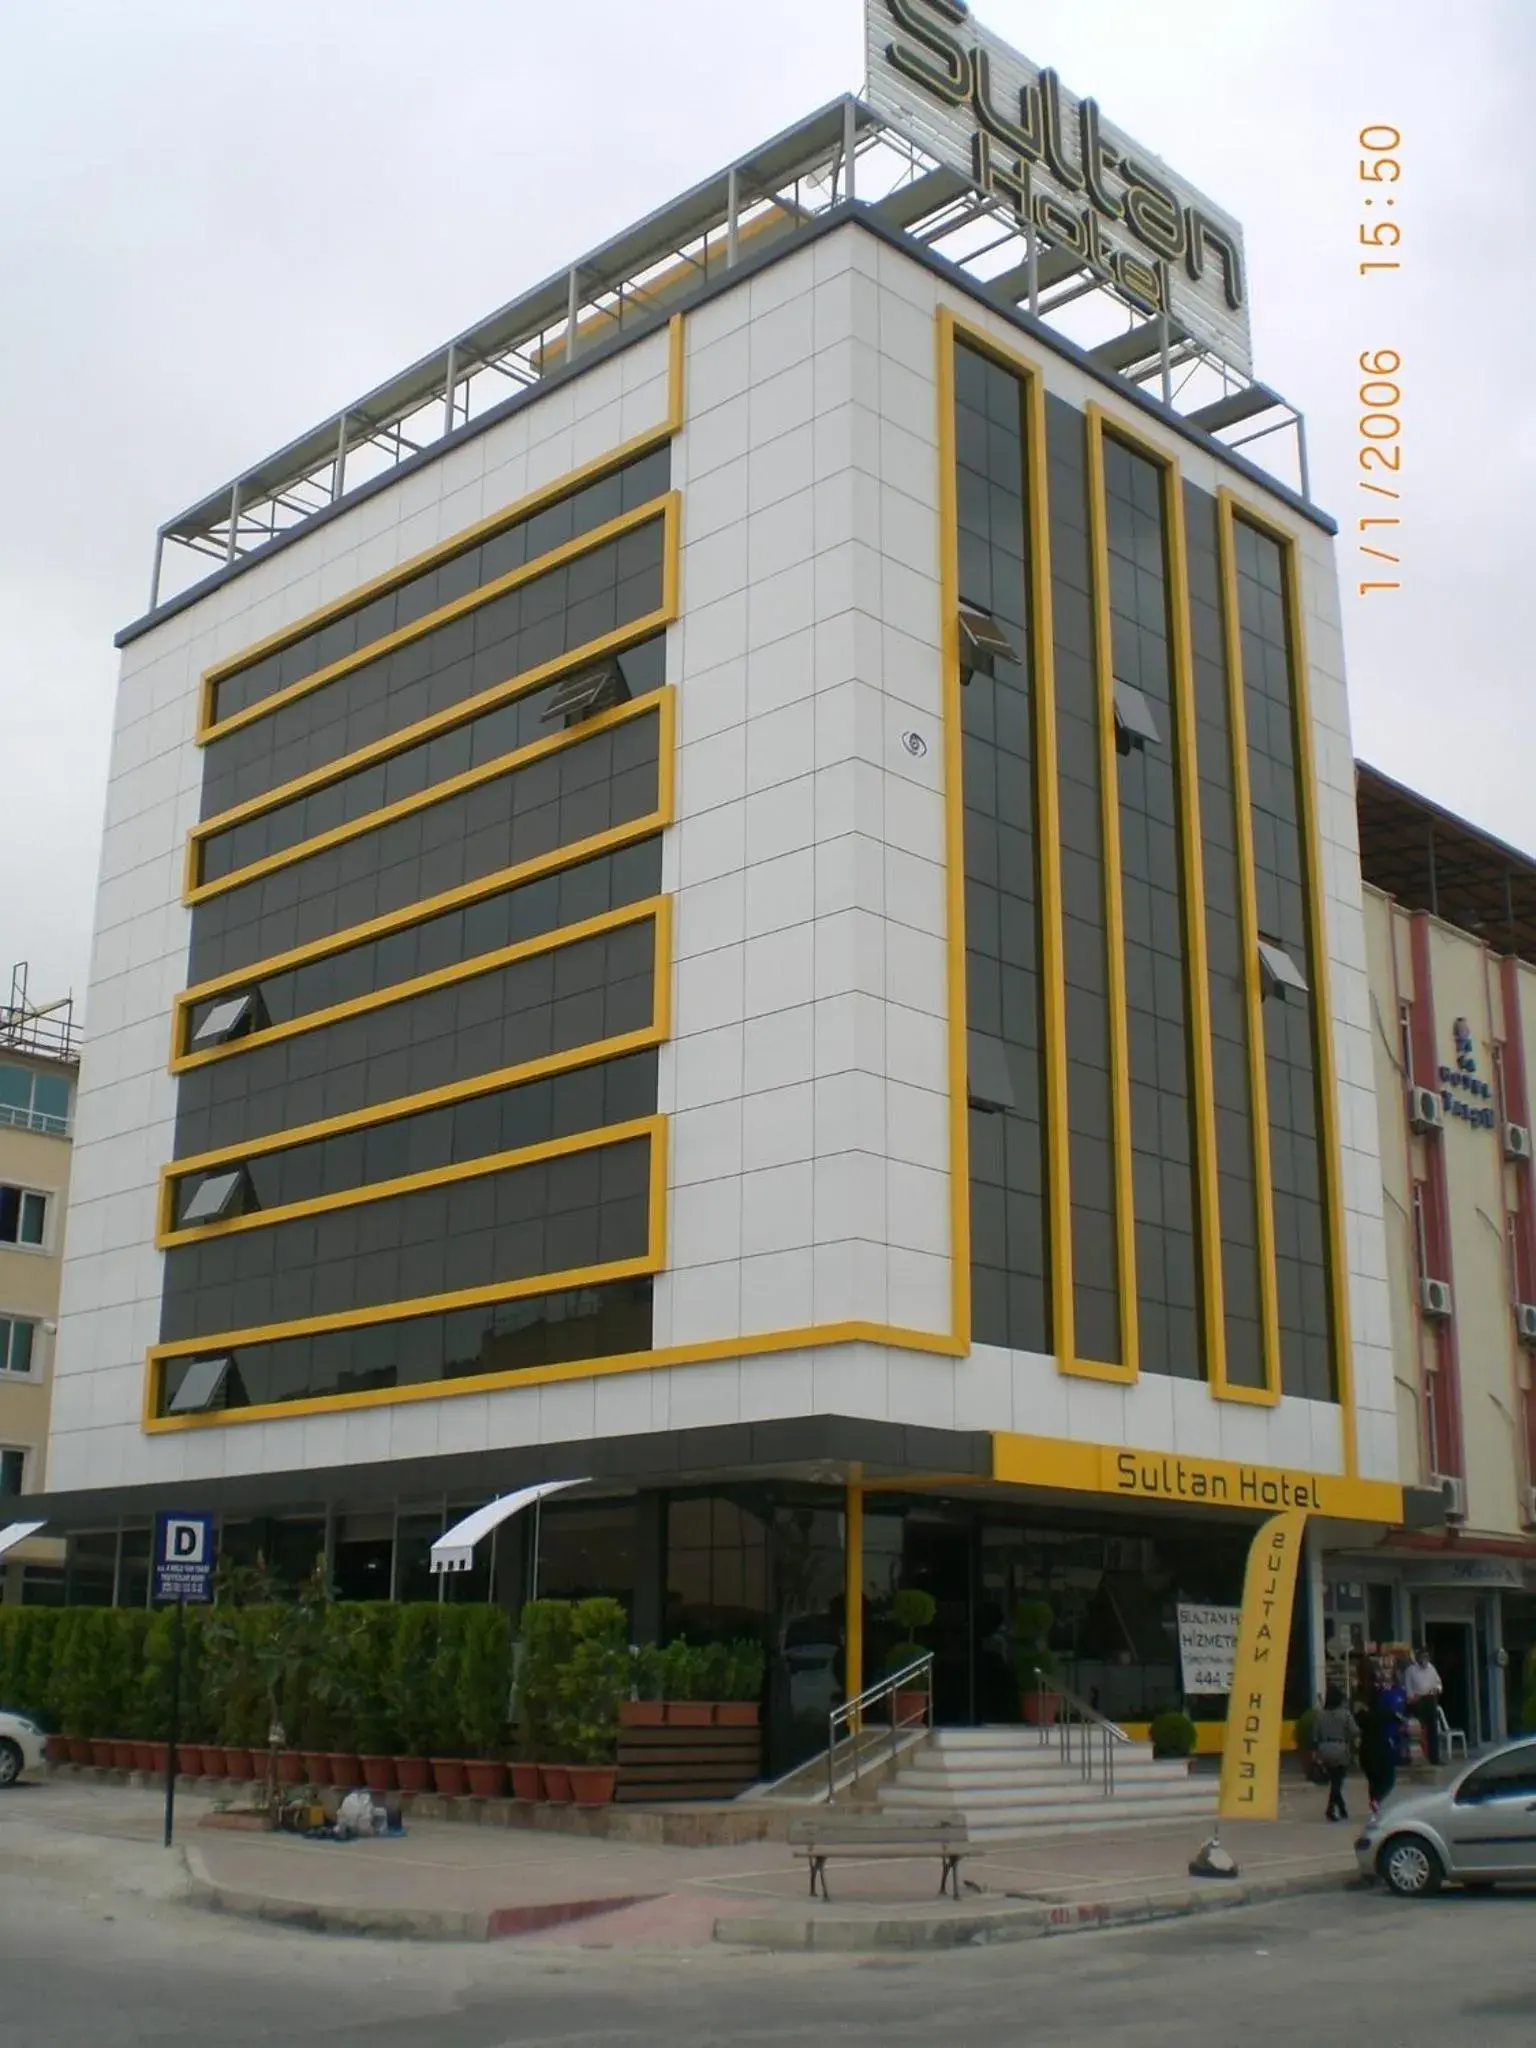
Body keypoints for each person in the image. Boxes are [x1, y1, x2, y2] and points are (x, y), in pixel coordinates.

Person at [1312, 1685, 1357, 1822]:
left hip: (1324, 1749)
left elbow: (1315, 1735)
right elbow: (1354, 1731)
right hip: (1340, 1748)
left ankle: (1342, 1809)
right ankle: (1330, 1809)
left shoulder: (1320, 1715)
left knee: (1334, 1780)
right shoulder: (1345, 1714)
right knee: (1338, 1781)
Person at [1355, 1675, 1399, 1815]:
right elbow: (1398, 1718)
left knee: (1372, 1779)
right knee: (1388, 1778)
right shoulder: (1384, 1712)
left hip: (1366, 1750)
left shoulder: (1363, 1714)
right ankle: (1377, 1799)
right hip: (1381, 1750)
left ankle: (1375, 1801)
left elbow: (1356, 1723)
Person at [1403, 1646, 1444, 1766]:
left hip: (1430, 1699)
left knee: (1433, 1730)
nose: (1425, 1659)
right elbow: (1408, 1689)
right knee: (1416, 1732)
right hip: (1417, 1701)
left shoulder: (1432, 1668)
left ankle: (1434, 1758)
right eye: (1423, 1656)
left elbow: (1438, 1683)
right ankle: (1415, 1758)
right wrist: (1412, 1698)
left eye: (1427, 1656)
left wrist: (1437, 1689)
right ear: (1418, 1657)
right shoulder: (1411, 1670)